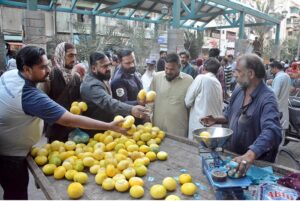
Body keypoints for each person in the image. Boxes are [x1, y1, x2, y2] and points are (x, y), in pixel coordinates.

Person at [0, 46, 126, 200]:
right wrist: (108, 126)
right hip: (10, 154)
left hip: (8, 143)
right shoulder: (29, 96)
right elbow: (67, 119)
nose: (48, 69)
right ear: (26, 69)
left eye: (48, 64)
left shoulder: (11, 75)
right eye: (43, 67)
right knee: (16, 194)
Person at [201, 54, 282, 175]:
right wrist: (216, 120)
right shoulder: (239, 90)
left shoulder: (268, 99)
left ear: (251, 74)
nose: (234, 74)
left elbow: (272, 131)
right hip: (233, 158)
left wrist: (250, 155)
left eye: (238, 71)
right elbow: (229, 114)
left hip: (255, 166)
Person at [80, 52, 149, 135]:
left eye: (109, 65)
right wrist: (131, 109)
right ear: (94, 68)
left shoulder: (100, 79)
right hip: (95, 132)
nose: (109, 68)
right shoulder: (91, 85)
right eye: (104, 66)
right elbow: (108, 102)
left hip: (105, 129)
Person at [44, 42, 82, 142]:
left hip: (72, 128)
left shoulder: (76, 77)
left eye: (75, 55)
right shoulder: (50, 75)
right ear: (60, 55)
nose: (73, 59)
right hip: (56, 129)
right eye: (70, 55)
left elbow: (79, 98)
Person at [150, 53, 193, 137]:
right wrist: (148, 116)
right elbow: (150, 100)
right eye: (166, 68)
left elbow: (191, 105)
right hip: (157, 128)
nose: (168, 72)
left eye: (172, 69)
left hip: (178, 129)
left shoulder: (189, 81)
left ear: (179, 66)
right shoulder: (156, 78)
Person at [185, 58, 223, 139]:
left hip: (200, 125)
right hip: (215, 127)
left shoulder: (201, 78)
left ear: (203, 68)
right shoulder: (218, 83)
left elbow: (187, 102)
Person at [268, 61, 291, 129]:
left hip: (277, 107)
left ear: (275, 68)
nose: (270, 70)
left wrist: (268, 86)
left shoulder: (278, 78)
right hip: (284, 106)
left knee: (276, 129)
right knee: (282, 129)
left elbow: (274, 94)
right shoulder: (286, 76)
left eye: (271, 68)